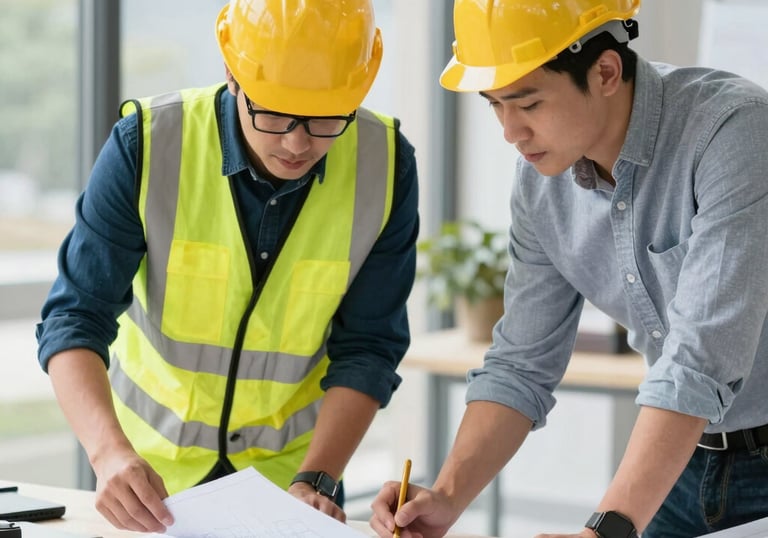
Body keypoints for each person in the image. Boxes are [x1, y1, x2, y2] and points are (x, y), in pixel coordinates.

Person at [370, 0, 768, 537]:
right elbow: (521, 363)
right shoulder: (541, 184)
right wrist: (444, 498)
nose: (511, 131)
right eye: (495, 106)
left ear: (605, 71)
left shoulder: (733, 132)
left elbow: (700, 359)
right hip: (688, 460)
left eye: (528, 104)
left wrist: (607, 529)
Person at [35, 0, 419, 533]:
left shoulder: (386, 165)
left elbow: (369, 346)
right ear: (231, 73)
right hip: (149, 486)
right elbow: (74, 319)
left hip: (295, 487)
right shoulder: (146, 146)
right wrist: (108, 454)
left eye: (328, 116)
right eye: (277, 112)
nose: (298, 141)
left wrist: (320, 478)